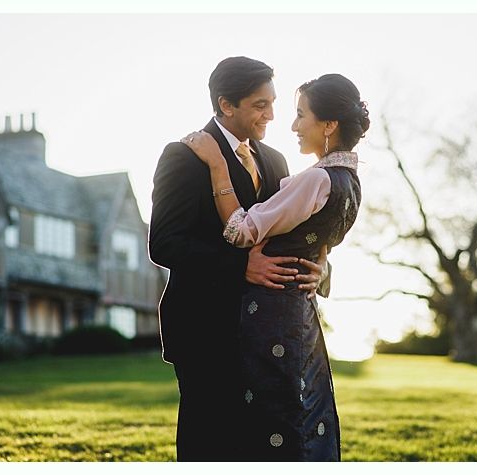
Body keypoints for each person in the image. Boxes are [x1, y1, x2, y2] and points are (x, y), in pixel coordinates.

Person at [180, 73, 369, 461]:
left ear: (329, 125)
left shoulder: (312, 177)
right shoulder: (351, 181)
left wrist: (217, 165)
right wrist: (320, 267)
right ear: (225, 104)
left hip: (269, 319)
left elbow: (241, 231)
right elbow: (320, 240)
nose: (291, 124)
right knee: (300, 410)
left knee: (274, 418)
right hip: (298, 317)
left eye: (301, 115)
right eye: (264, 105)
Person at [148, 56, 329, 462]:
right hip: (204, 328)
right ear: (226, 104)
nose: (272, 115)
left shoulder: (277, 162)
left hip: (266, 333)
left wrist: (320, 269)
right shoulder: (183, 156)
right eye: (260, 105)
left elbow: (292, 236)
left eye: (273, 102)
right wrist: (239, 266)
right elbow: (164, 243)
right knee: (208, 443)